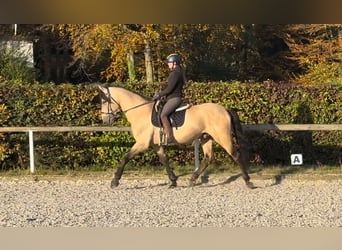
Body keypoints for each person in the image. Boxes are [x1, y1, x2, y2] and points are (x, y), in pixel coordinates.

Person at [152, 53, 186, 144]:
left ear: (174, 63)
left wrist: (159, 94)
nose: (168, 65)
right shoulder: (177, 72)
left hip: (175, 98)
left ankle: (170, 137)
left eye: (169, 63)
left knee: (163, 115)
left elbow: (169, 89)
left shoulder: (175, 73)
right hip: (172, 97)